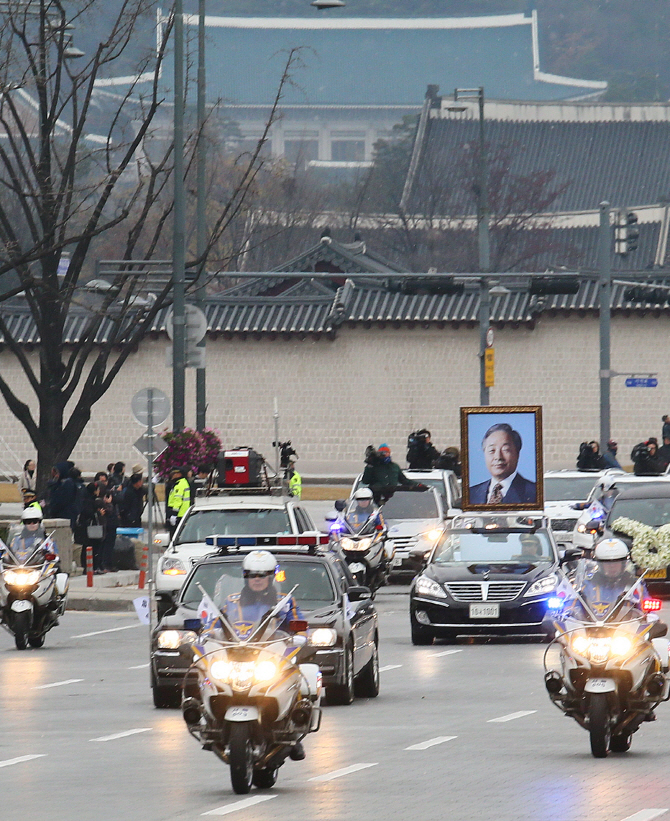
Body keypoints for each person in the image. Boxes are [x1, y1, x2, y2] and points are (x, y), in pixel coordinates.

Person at [218, 549, 306, 760]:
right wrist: (204, 636)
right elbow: (215, 625)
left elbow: (300, 627)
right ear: (245, 577)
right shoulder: (231, 601)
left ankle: (294, 731)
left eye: (262, 575)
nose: (257, 580)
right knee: (209, 676)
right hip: (237, 656)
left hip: (270, 656)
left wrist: (300, 637)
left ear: (271, 576)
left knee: (297, 678)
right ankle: (208, 721)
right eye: (251, 575)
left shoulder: (285, 602)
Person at [575, 538, 646, 620]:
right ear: (600, 565)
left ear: (623, 564)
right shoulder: (588, 583)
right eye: (607, 563)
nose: (612, 566)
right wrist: (567, 612)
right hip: (591, 627)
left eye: (616, 563)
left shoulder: (634, 585)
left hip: (625, 628)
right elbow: (574, 605)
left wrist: (650, 618)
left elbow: (645, 609)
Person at [468, 424, 537, 505]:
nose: (498, 457)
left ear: (517, 454)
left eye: (505, 450)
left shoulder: (534, 493)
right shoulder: (471, 494)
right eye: (492, 450)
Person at [166, 466, 191, 536]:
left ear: (179, 474)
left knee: (175, 535)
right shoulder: (182, 483)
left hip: (179, 515)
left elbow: (178, 500)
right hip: (181, 514)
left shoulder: (179, 485)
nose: (172, 475)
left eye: (173, 473)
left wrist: (174, 514)